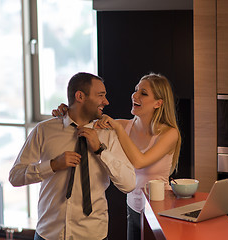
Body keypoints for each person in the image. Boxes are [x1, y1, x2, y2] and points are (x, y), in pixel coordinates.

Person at [53, 73, 181, 240]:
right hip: (133, 208)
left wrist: (118, 130)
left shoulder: (169, 133)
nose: (135, 95)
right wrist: (65, 111)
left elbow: (139, 162)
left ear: (158, 103)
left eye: (143, 93)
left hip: (161, 209)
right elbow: (80, 121)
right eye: (136, 90)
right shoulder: (121, 125)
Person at [9, 72, 136, 240]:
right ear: (80, 96)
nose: (106, 102)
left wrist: (100, 150)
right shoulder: (44, 130)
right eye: (100, 96)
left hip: (92, 234)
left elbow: (129, 184)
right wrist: (52, 165)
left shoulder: (108, 135)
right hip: (49, 233)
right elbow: (15, 176)